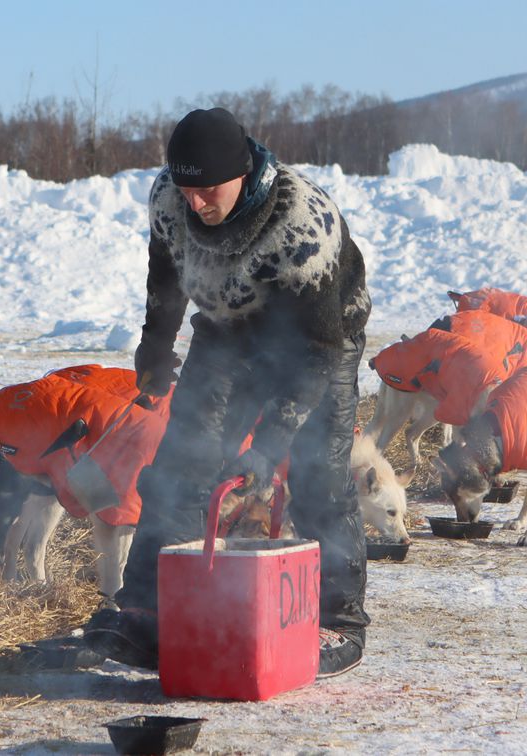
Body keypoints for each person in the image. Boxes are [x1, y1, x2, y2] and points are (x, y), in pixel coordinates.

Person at [83, 107, 373, 678]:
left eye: (208, 189)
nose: (195, 202)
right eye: (187, 188)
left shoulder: (300, 224)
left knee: (319, 470)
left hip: (320, 337)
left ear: (243, 174)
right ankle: (146, 608)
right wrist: (155, 345)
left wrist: (270, 442)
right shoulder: (169, 195)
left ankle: (340, 618)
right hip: (226, 328)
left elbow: (315, 351)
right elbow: (165, 270)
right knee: (181, 465)